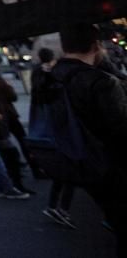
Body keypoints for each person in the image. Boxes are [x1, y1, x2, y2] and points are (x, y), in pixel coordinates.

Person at [49, 24, 127, 252]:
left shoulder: (52, 77)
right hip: (114, 167)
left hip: (79, 161)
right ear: (96, 45)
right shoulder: (102, 82)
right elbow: (121, 130)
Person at [30, 48, 76, 228]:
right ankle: (61, 208)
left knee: (61, 174)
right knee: (70, 173)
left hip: (50, 135)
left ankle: (55, 206)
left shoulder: (38, 79)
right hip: (61, 134)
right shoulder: (53, 84)